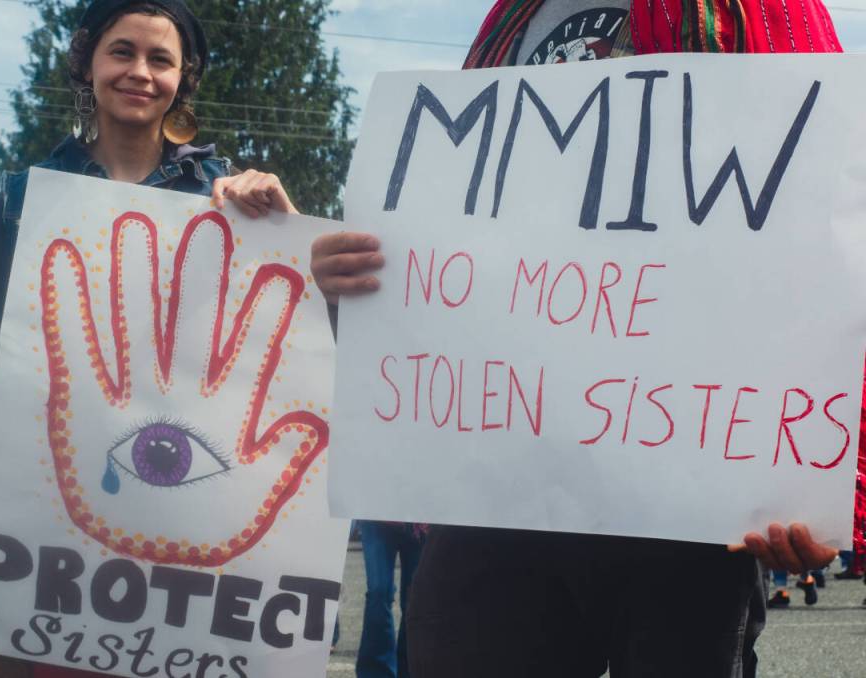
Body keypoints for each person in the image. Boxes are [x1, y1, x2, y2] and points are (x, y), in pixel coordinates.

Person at [310, 1, 842, 675]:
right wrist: (356, 279)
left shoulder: (758, 12)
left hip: (686, 498)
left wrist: (810, 488)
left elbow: (822, 232)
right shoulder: (509, 23)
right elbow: (455, 236)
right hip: (503, 493)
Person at [0, 0, 298, 673]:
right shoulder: (22, 200)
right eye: (122, 51)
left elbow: (289, 355)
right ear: (88, 62)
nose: (140, 73)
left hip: (187, 513)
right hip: (42, 513)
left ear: (185, 80)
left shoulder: (229, 199)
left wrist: (285, 225)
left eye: (161, 59)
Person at [356, 521, 424, 678]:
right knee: (378, 593)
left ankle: (410, 670)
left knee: (414, 600)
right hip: (376, 517)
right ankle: (375, 672)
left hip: (421, 518)